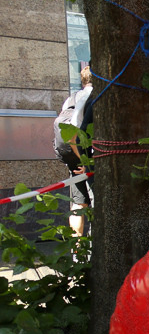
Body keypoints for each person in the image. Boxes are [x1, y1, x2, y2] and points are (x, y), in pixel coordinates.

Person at [53, 67, 93, 236]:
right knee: (94, 199)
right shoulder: (91, 96)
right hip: (84, 154)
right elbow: (74, 134)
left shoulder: (72, 98)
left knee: (78, 201)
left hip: (71, 155)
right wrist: (86, 162)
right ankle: (95, 244)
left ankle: (77, 248)